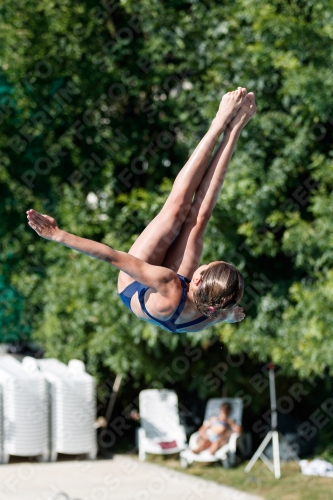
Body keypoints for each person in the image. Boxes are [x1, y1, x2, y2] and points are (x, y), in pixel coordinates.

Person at [26, 87, 256, 333]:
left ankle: (218, 122)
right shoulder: (217, 310)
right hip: (184, 301)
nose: (205, 262)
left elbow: (111, 256)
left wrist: (57, 234)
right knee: (199, 218)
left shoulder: (168, 283)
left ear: (197, 279)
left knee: (177, 208)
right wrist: (230, 316)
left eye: (207, 265)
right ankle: (235, 129)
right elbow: (227, 311)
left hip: (135, 286)